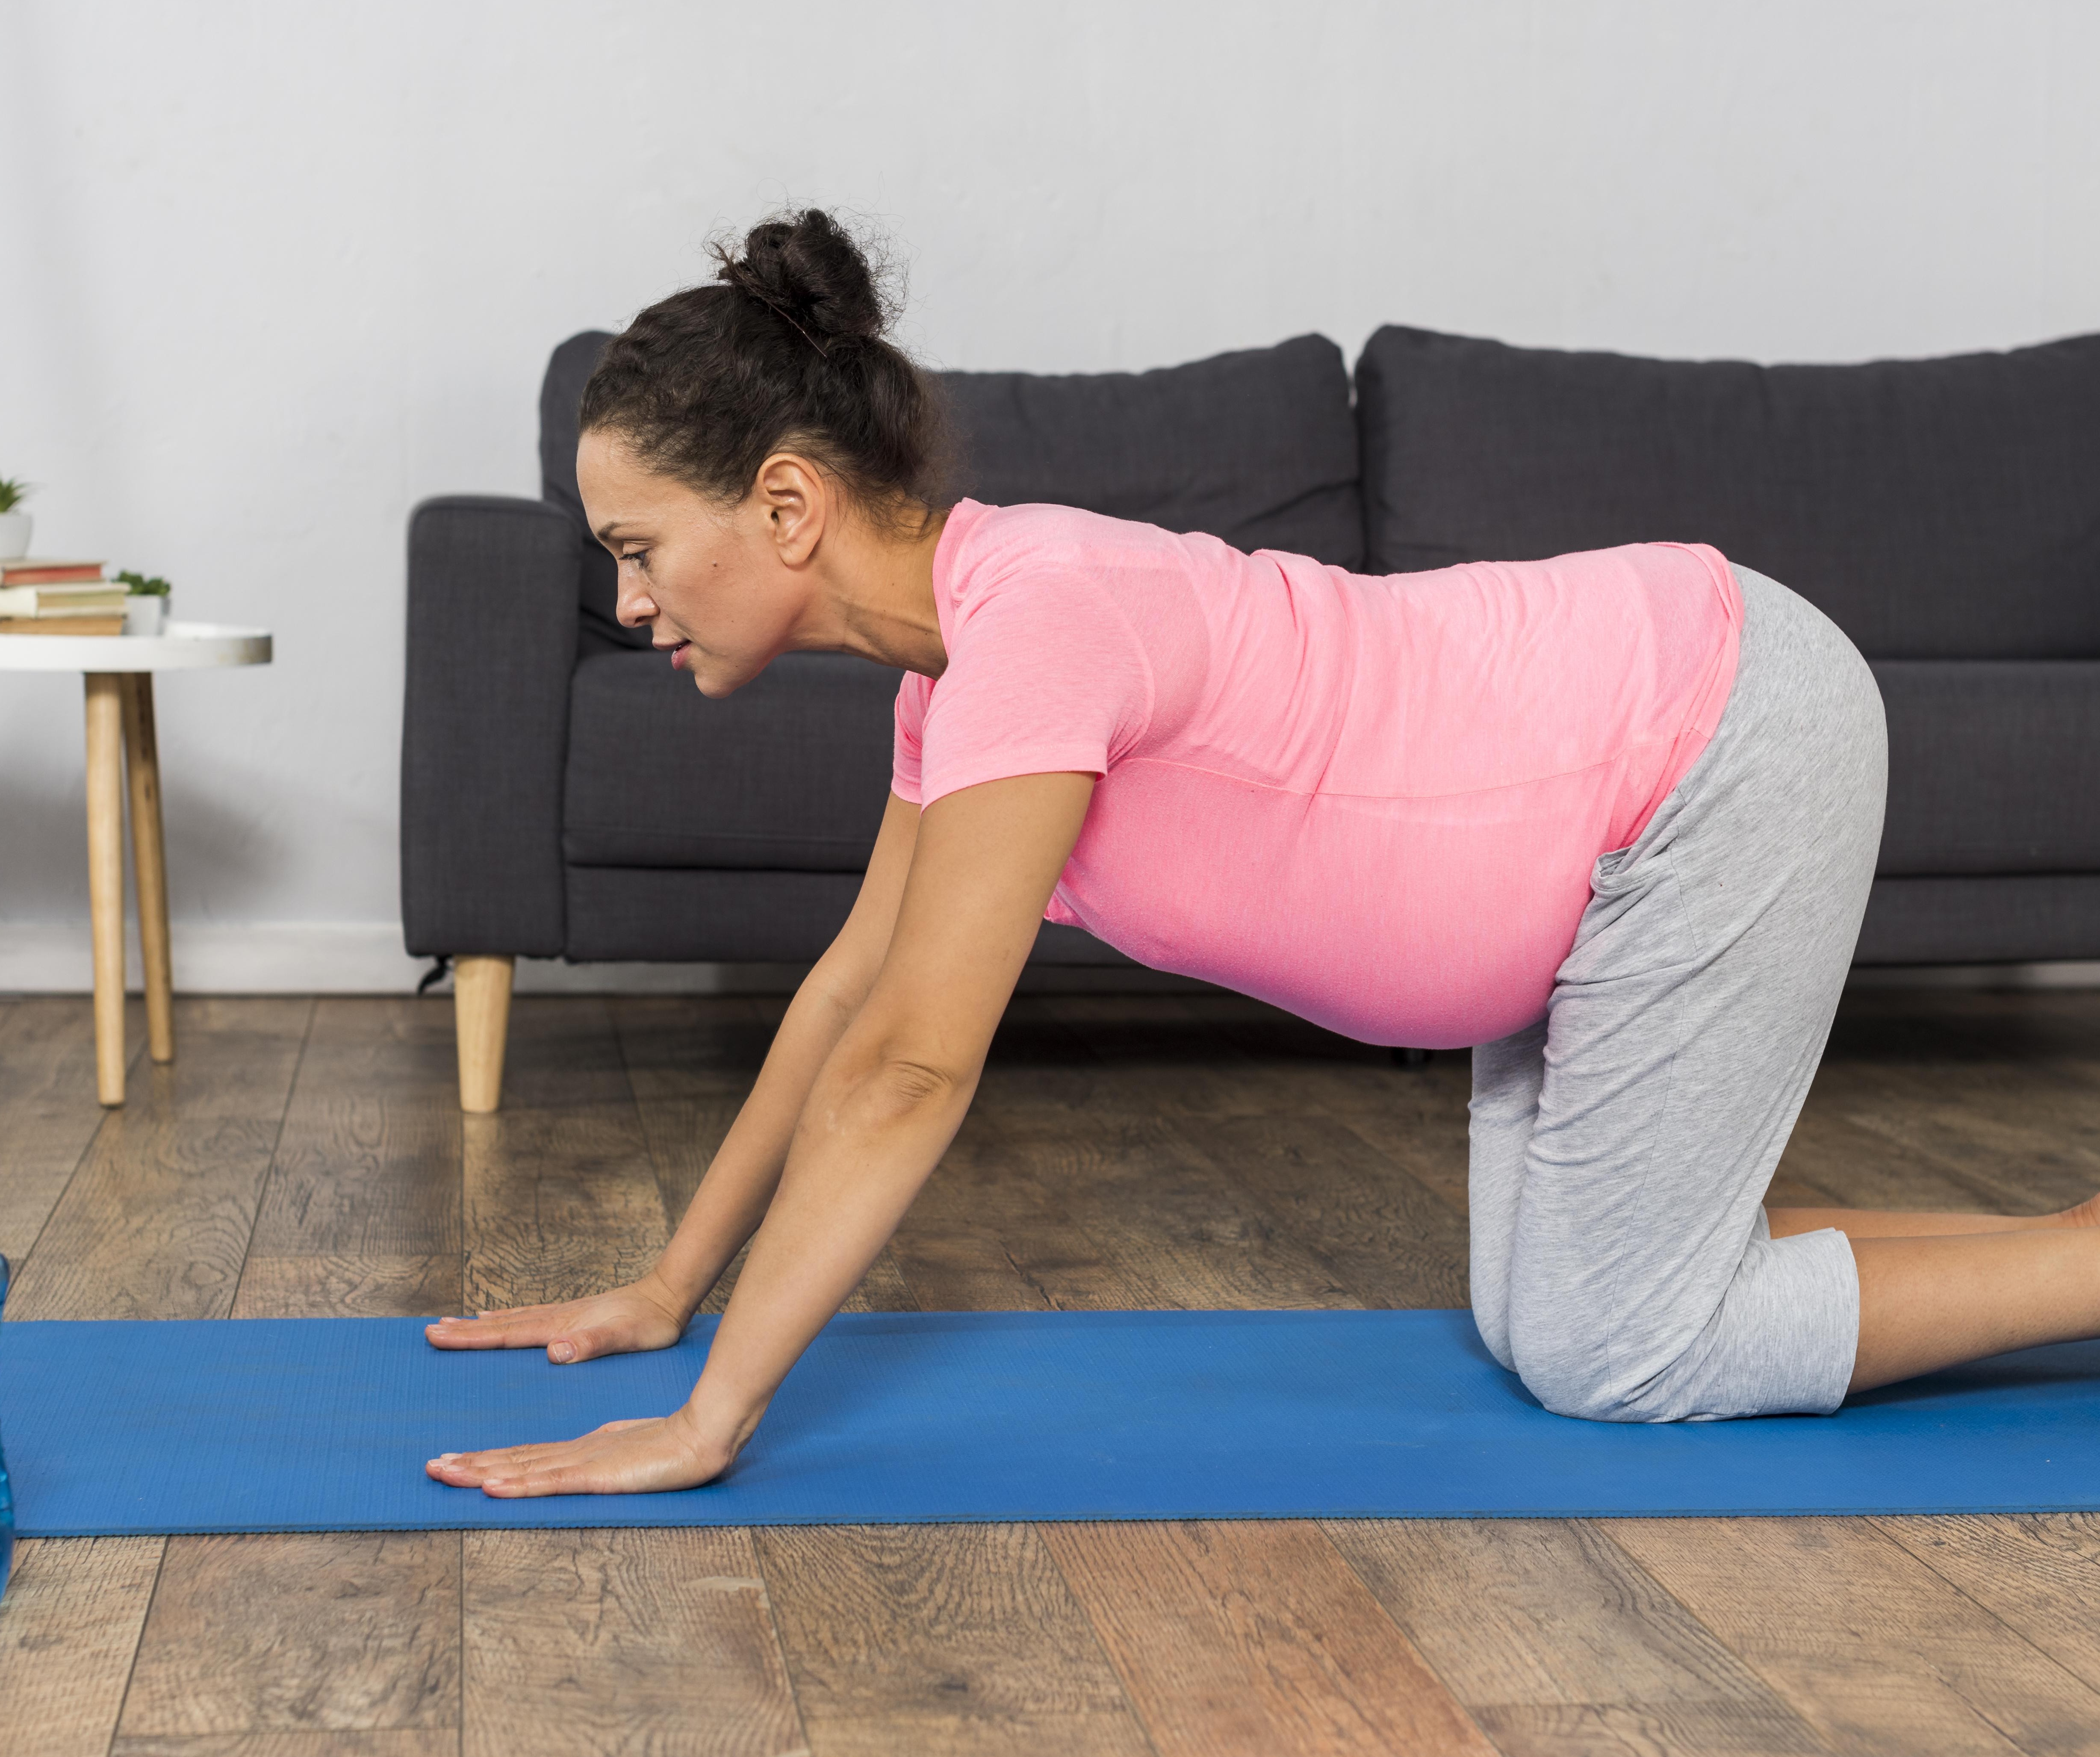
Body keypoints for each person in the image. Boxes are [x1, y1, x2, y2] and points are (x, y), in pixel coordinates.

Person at [424, 209, 2100, 1498]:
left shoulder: (1037, 628)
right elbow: (852, 992)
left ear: (787, 509)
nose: (626, 601)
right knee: (1538, 1319)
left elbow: (914, 1069)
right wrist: (670, 1288)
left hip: (1702, 742)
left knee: (1616, 1353)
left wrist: (712, 1420)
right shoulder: (959, 674)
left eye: (640, 549)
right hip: (1621, 785)